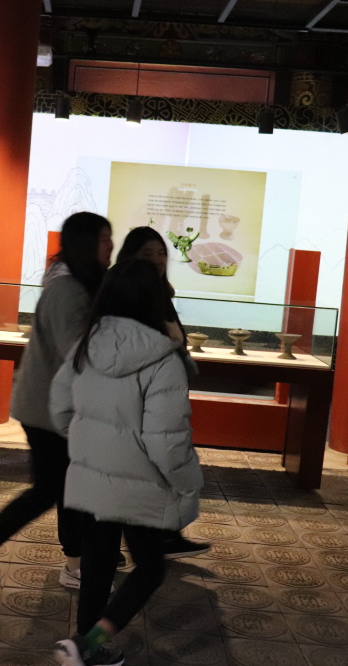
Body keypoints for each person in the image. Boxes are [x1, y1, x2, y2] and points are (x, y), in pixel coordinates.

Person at [50, 259, 204, 666]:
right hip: (140, 483)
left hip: (90, 477)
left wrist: (88, 446)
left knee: (97, 566)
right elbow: (167, 442)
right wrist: (189, 481)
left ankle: (86, 646)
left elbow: (59, 407)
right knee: (150, 569)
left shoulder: (86, 345)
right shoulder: (163, 359)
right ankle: (89, 643)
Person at [0, 212, 114, 588]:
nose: (111, 246)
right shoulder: (68, 291)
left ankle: (74, 565)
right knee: (51, 488)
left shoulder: (80, 284)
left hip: (59, 407)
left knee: (69, 487)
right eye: (104, 239)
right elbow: (79, 353)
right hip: (47, 410)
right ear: (85, 244)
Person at [115, 226, 210, 560]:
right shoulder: (131, 294)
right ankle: (144, 547)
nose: (157, 260)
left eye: (161, 253)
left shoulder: (159, 291)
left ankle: (162, 538)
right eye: (147, 254)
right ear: (131, 257)